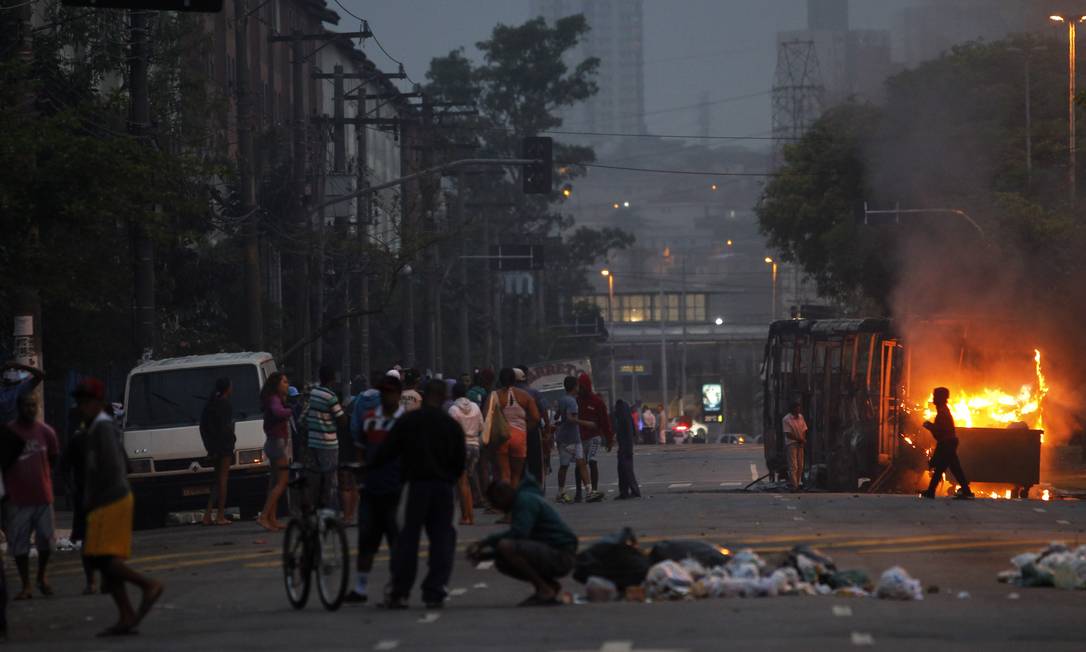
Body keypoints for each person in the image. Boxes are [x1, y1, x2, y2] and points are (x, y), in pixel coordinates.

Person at [75, 378, 163, 637]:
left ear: (99, 403)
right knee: (102, 560)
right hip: (104, 500)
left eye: (87, 402)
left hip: (111, 499)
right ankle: (126, 615)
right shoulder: (92, 427)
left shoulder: (102, 427)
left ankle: (148, 585)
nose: (82, 407)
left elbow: (114, 467)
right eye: (80, 402)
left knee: (103, 559)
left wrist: (96, 498)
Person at [373, 380, 466, 609]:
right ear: (445, 397)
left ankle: (400, 591)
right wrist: (449, 476)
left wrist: (368, 468)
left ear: (423, 396)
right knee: (443, 539)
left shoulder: (409, 421)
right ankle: (435, 590)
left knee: (407, 539)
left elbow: (387, 451)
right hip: (444, 488)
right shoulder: (450, 425)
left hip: (415, 486)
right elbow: (460, 462)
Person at [468, 478, 578, 606]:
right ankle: (548, 585)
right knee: (502, 559)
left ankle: (545, 589)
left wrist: (485, 543)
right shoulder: (523, 500)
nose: (498, 508)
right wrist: (486, 555)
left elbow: (519, 535)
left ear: (502, 496)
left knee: (506, 547)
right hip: (554, 552)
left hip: (561, 555)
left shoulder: (524, 501)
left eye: (495, 503)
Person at [345, 377, 404, 604]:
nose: (386, 396)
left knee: (396, 542)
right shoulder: (370, 419)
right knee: (366, 540)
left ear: (398, 394)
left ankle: (397, 588)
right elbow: (360, 448)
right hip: (371, 489)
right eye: (383, 392)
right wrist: (361, 478)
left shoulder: (405, 421)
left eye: (390, 392)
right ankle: (360, 588)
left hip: (396, 490)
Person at [5, 393, 59, 599]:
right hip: (17, 499)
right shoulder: (9, 432)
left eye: (33, 405)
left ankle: (41, 577)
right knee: (19, 544)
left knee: (47, 540)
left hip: (43, 497)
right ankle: (26, 584)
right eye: (26, 405)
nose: (30, 409)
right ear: (19, 407)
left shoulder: (46, 432)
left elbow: (53, 458)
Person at [60, 414, 96, 595]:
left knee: (91, 541)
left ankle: (94, 581)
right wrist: (71, 487)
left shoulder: (104, 437)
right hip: (89, 497)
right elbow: (63, 467)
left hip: (94, 496)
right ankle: (93, 581)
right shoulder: (79, 440)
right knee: (91, 541)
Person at [489, 368, 542, 489]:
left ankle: (505, 502)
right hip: (519, 437)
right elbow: (536, 418)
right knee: (516, 475)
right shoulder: (525, 396)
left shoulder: (494, 396)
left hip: (502, 437)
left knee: (505, 474)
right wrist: (524, 429)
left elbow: (486, 417)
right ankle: (514, 502)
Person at [921, 387, 975, 499]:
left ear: (941, 398)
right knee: (951, 468)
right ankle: (966, 491)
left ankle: (932, 492)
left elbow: (941, 431)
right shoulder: (943, 411)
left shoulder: (943, 412)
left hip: (947, 444)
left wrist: (929, 426)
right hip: (948, 443)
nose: (934, 399)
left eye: (936, 396)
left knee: (943, 468)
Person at [258, 372, 292, 531]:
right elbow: (278, 412)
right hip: (276, 444)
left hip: (274, 443)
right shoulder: (274, 399)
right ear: (277, 384)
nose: (287, 384)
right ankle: (264, 516)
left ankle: (272, 518)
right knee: (282, 481)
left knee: (274, 483)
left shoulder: (275, 398)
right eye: (284, 382)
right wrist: (290, 411)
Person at [198, 378, 235, 526]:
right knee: (223, 480)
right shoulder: (225, 404)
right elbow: (225, 427)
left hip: (213, 446)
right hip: (224, 446)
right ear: (227, 388)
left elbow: (205, 426)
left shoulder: (211, 404)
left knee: (216, 480)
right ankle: (220, 515)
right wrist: (231, 438)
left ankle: (207, 515)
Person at [553, 376, 595, 504]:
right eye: (577, 385)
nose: (579, 388)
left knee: (571, 465)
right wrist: (586, 423)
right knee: (576, 464)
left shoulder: (562, 399)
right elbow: (571, 418)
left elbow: (557, 415)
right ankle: (587, 491)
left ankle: (587, 491)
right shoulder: (572, 402)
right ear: (574, 387)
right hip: (571, 438)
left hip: (565, 438)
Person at [448, 382, 483, 525]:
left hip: (461, 447)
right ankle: (470, 516)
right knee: (467, 482)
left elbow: (451, 432)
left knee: (462, 483)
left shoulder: (453, 410)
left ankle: (466, 516)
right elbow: (481, 426)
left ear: (453, 394)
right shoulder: (475, 406)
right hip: (475, 446)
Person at [575, 373, 612, 502]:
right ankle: (579, 492)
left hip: (594, 437)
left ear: (587, 386)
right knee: (579, 464)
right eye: (579, 386)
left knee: (592, 461)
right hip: (579, 437)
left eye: (582, 386)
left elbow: (605, 422)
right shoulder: (576, 400)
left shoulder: (597, 401)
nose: (580, 389)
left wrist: (609, 439)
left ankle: (594, 490)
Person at [515, 366, 550, 479]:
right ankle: (536, 488)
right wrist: (547, 429)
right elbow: (543, 411)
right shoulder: (533, 392)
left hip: (513, 432)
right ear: (525, 378)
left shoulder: (504, 394)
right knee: (535, 462)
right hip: (532, 431)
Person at [614, 398, 641, 499]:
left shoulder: (623, 419)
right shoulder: (627, 417)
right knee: (624, 470)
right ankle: (625, 492)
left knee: (625, 470)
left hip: (624, 448)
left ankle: (632, 491)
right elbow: (633, 432)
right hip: (627, 447)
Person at [782, 402, 807, 492]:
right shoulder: (786, 419)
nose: (798, 410)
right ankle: (794, 485)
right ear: (792, 409)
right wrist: (799, 439)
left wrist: (803, 439)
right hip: (791, 444)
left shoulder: (801, 417)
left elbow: (804, 430)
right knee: (793, 465)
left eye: (799, 408)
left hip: (800, 444)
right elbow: (788, 434)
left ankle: (798, 482)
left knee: (800, 465)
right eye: (797, 408)